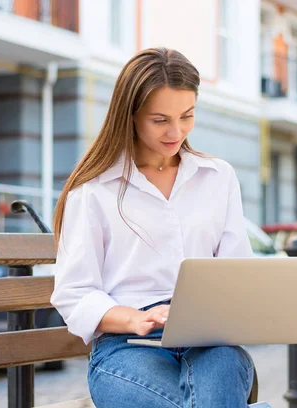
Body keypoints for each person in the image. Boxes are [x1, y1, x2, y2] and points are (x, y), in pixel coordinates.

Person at [50, 47, 256, 408]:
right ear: (129, 115)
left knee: (222, 365)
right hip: (127, 346)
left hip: (210, 340)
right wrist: (138, 318)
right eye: (160, 120)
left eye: (187, 116)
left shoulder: (218, 177)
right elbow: (74, 294)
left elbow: (237, 269)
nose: (176, 131)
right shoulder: (94, 191)